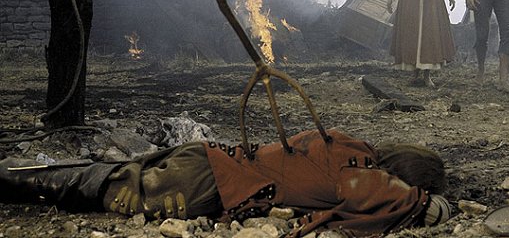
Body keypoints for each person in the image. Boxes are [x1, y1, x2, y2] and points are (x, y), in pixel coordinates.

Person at [0, 129, 452, 236]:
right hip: (207, 180)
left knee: (95, 175)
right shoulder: (358, 167)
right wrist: (437, 204)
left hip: (208, 160)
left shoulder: (345, 144)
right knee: (90, 187)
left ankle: (11, 171)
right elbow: (411, 205)